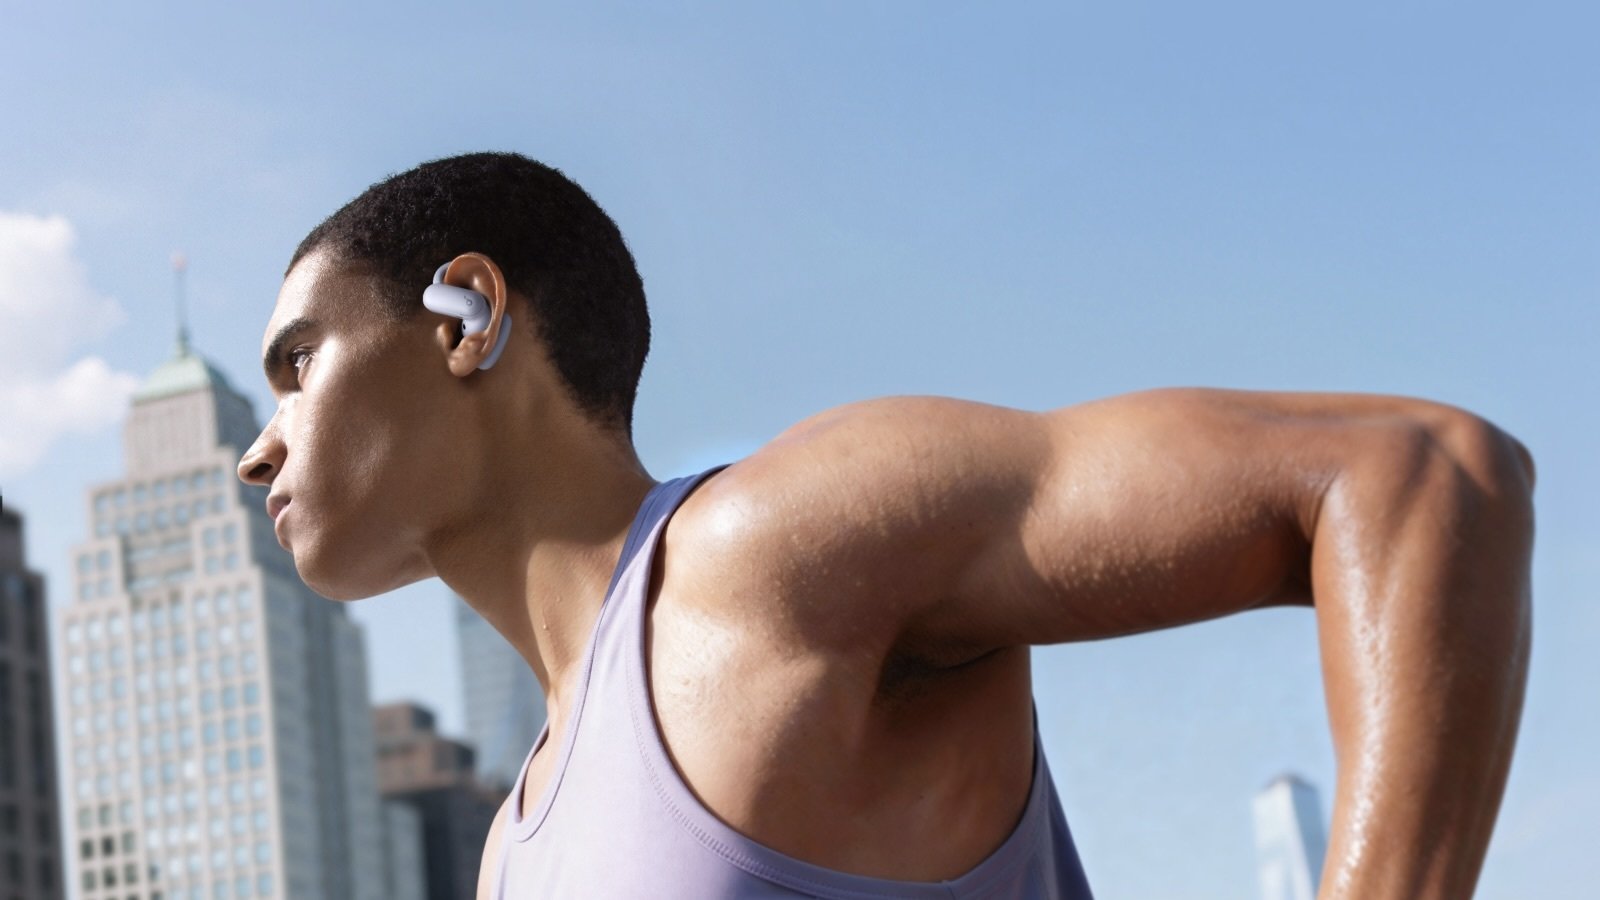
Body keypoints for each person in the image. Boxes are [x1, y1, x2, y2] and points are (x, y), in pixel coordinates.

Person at [237, 151, 1536, 899]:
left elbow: (1412, 473)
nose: (259, 449)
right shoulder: (510, 853)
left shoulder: (774, 552)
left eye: (299, 365)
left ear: (465, 319)